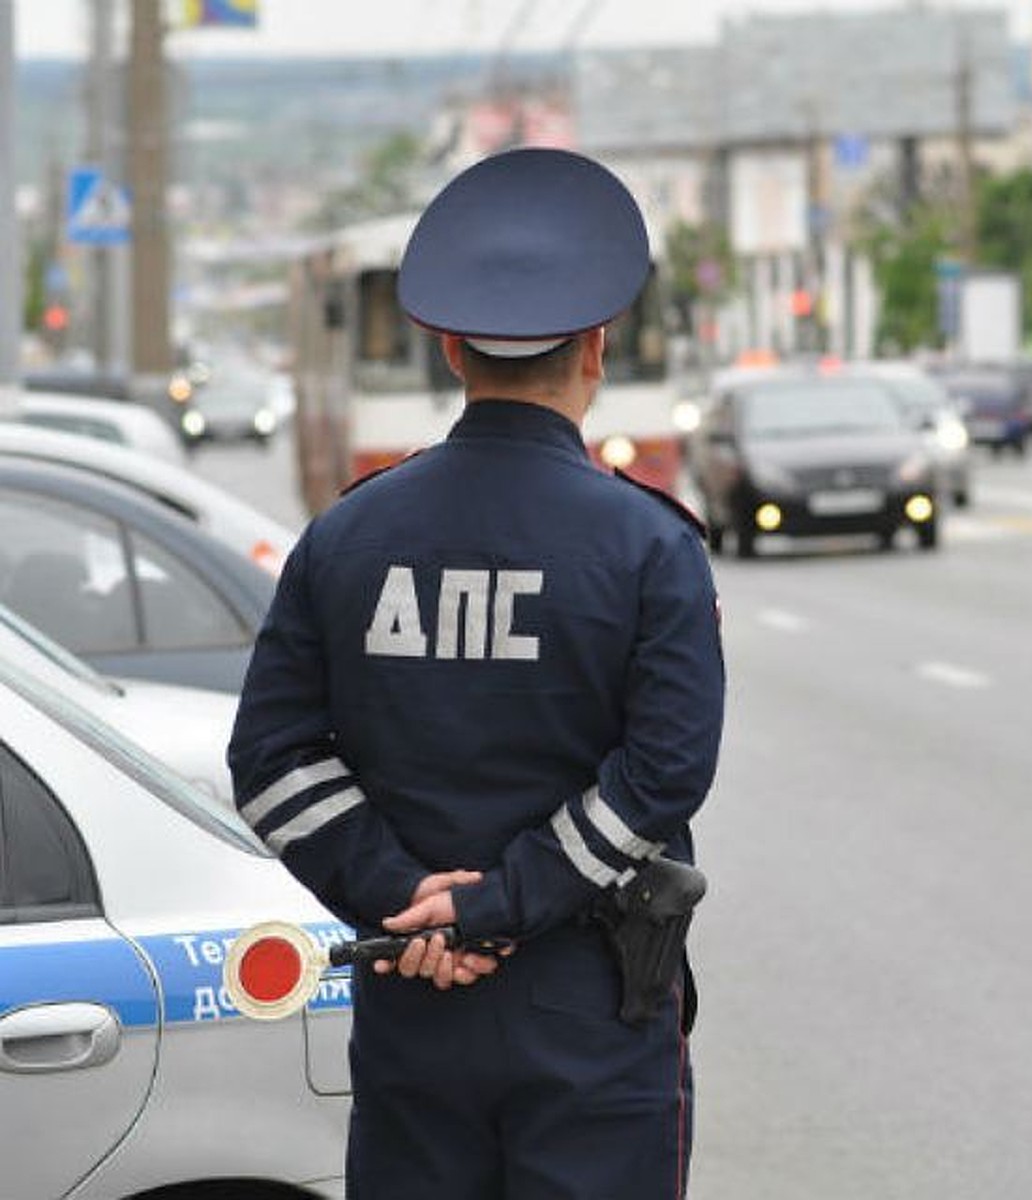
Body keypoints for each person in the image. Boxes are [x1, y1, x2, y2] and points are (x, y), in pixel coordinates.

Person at [227, 146, 725, 1200]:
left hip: (412, 1004)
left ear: (450, 350)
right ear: (597, 346)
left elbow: (272, 760)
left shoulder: (347, 538)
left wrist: (403, 892)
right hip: (592, 1009)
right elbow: (666, 773)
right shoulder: (649, 547)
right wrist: (500, 903)